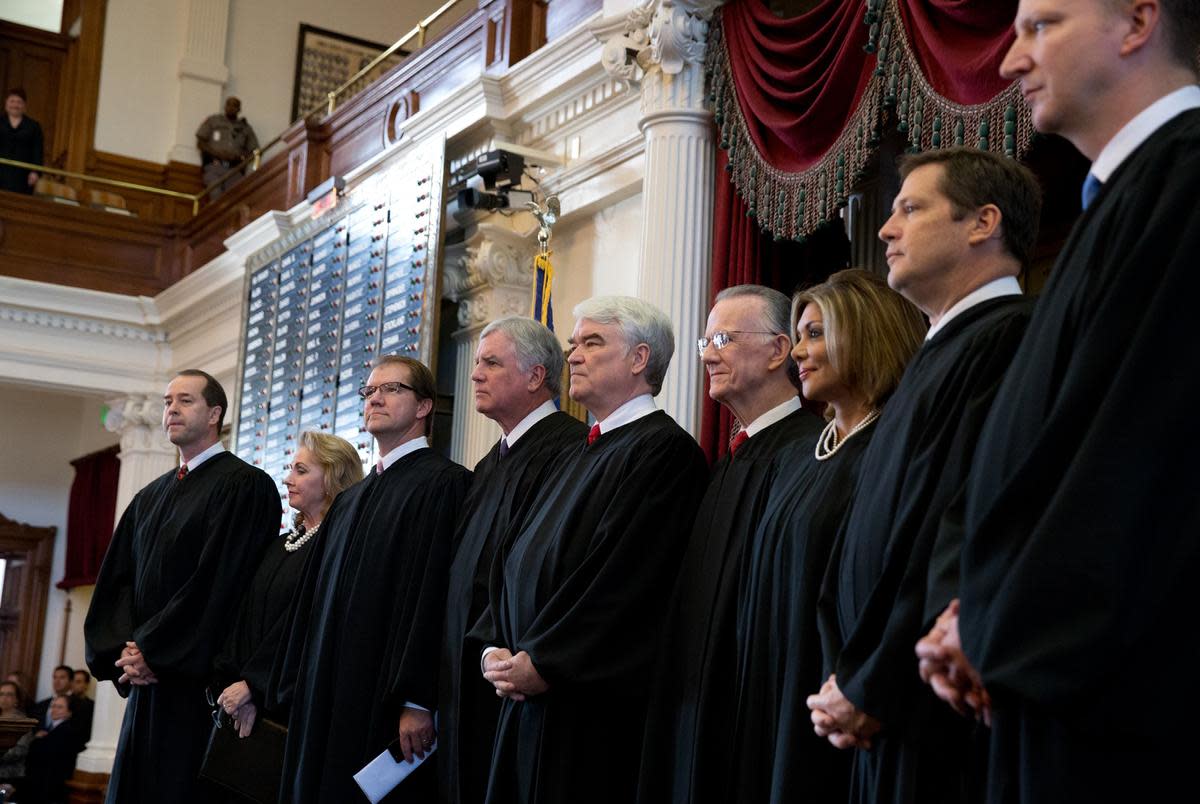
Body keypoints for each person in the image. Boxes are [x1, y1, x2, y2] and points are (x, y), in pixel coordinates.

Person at [916, 2, 1200, 802]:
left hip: (1124, 701)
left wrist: (995, 620)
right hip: (1047, 676)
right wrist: (962, 609)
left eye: (1042, 25)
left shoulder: (1183, 181)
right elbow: (1019, 458)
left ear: (1138, 22)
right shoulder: (1114, 203)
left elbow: (1140, 453)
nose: (1009, 60)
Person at [806, 147, 1041, 804]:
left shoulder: (1010, 339)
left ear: (982, 222)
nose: (885, 229)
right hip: (878, 702)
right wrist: (843, 673)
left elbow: (950, 530)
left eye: (910, 209)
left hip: (930, 711)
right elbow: (862, 540)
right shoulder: (935, 355)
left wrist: (871, 682)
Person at [478, 296, 709, 804]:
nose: (574, 356)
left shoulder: (664, 452)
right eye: (573, 343)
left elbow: (623, 581)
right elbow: (512, 557)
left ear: (639, 359)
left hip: (588, 710)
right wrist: (495, 647)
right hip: (525, 695)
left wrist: (545, 661)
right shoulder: (576, 452)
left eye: (592, 342)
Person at [730, 270, 926, 804]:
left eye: (816, 333)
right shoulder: (800, 453)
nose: (799, 351)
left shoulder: (892, 446)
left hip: (841, 699)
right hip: (773, 688)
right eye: (799, 335)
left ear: (865, 334)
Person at [636, 284, 822, 804]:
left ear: (779, 350)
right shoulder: (729, 460)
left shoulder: (807, 455)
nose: (709, 354)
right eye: (704, 343)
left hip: (753, 707)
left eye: (723, 338)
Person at [273, 355, 470, 803]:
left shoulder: (445, 484)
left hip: (384, 697)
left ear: (423, 407)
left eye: (391, 389)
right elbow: (314, 601)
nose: (375, 398)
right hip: (325, 691)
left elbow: (434, 598)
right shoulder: (351, 500)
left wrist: (418, 699)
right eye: (369, 391)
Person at [84, 369, 282, 804]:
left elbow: (219, 583)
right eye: (167, 401)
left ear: (214, 413)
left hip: (197, 685)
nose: (171, 409)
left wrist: (154, 649)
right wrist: (126, 651)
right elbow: (118, 582)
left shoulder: (244, 486)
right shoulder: (150, 496)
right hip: (147, 682)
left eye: (185, 401)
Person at [438, 317, 586, 804]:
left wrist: (498, 651)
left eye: (491, 362)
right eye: (477, 362)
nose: (475, 374)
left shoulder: (569, 448)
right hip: (470, 669)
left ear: (535, 376)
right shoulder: (487, 465)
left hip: (517, 675)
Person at [210, 431, 362, 756]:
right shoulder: (280, 546)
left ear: (333, 479)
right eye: (291, 468)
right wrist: (236, 685)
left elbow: (307, 626)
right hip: (247, 701)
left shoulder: (340, 549)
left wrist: (255, 686)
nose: (288, 478)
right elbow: (245, 618)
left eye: (301, 471)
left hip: (298, 710)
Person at [21, 695, 87, 804]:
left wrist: (36, 741)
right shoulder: (49, 728)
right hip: (42, 782)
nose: (54, 709)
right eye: (53, 706)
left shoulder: (67, 731)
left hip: (50, 785)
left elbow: (43, 754)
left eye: (60, 707)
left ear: (69, 712)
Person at [195, 96, 258, 198]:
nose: (231, 108)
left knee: (233, 197)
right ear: (225, 106)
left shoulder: (245, 128)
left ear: (239, 109)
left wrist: (241, 158)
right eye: (229, 104)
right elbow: (200, 142)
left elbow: (255, 151)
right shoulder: (213, 121)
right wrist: (216, 153)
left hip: (234, 169)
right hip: (214, 166)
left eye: (234, 105)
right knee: (215, 193)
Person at [0, 88, 42, 195]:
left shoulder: (34, 126)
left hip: (23, 176)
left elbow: (37, 151)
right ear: (6, 104)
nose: (15, 105)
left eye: (19, 102)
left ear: (24, 106)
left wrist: (35, 172)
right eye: (12, 101)